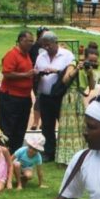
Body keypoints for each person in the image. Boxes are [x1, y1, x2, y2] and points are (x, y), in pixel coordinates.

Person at [33, 31, 75, 162]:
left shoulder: (67, 55)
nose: (46, 47)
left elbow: (72, 74)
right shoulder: (41, 57)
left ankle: (65, 152)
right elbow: (35, 70)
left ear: (55, 43)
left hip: (60, 96)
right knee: (47, 126)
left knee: (64, 124)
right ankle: (49, 152)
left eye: (48, 45)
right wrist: (39, 73)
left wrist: (55, 71)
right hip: (45, 96)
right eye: (44, 45)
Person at [55, 46, 98, 164]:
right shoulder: (74, 64)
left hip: (79, 99)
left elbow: (92, 87)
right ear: (85, 57)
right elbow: (65, 80)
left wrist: (90, 74)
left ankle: (80, 155)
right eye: (90, 60)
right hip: (70, 99)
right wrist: (77, 69)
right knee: (69, 128)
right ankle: (66, 159)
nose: (92, 63)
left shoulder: (89, 69)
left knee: (81, 127)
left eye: (94, 61)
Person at [0, 31, 36, 155]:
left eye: (32, 41)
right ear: (20, 41)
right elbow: (7, 73)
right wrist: (26, 75)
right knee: (8, 128)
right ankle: (4, 155)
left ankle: (16, 155)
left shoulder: (27, 55)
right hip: (11, 98)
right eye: (28, 41)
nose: (31, 44)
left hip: (24, 98)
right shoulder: (12, 54)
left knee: (20, 128)